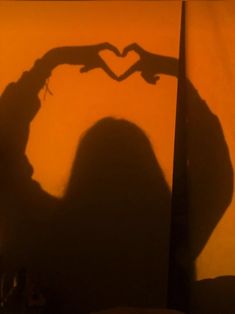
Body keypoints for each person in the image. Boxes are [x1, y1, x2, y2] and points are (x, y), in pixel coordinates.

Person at [0, 43, 233, 313]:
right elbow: (216, 173)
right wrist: (178, 75)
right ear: (149, 173)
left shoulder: (46, 231)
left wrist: (51, 62)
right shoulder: (172, 239)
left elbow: (3, 158)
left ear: (83, 169)